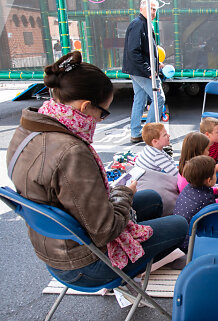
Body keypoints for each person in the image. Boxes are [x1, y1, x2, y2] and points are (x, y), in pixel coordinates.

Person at [6, 51, 187, 288]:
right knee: (179, 225)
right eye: (103, 112)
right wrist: (123, 193)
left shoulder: (27, 130)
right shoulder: (71, 151)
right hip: (84, 264)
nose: (101, 120)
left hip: (56, 247)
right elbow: (105, 231)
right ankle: (133, 269)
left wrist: (117, 197)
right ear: (84, 106)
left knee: (152, 198)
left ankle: (139, 258)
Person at [122, 0, 166, 143]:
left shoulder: (142, 23)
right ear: (141, 8)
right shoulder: (139, 24)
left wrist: (156, 63)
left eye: (155, 10)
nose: (153, 12)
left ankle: (136, 132)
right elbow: (134, 51)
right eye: (151, 9)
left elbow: (143, 50)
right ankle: (150, 133)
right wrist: (149, 70)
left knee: (139, 100)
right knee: (159, 98)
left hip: (138, 70)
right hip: (142, 71)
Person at [173, 155, 218, 252]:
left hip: (179, 235)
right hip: (191, 242)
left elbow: (206, 190)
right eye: (215, 174)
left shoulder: (188, 187)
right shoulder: (205, 199)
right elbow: (214, 208)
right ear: (209, 180)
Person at [177, 132, 218, 202]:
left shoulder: (186, 167)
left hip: (204, 197)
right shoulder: (194, 175)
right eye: (207, 149)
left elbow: (204, 191)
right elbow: (204, 204)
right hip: (206, 206)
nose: (208, 153)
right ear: (199, 152)